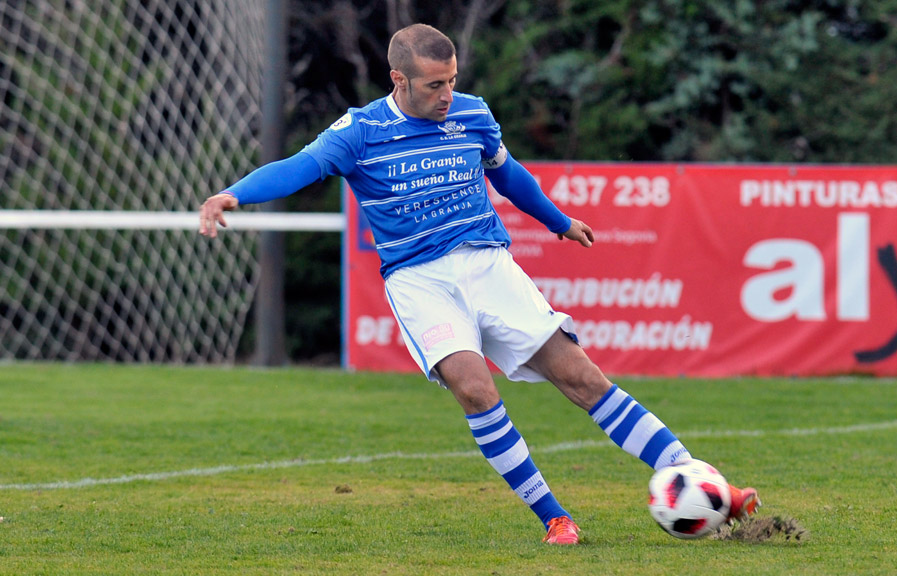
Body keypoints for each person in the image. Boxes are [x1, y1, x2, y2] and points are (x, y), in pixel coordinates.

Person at [199, 23, 759, 545]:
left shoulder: (472, 116)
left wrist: (558, 221)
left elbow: (507, 173)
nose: (446, 94)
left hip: (488, 266)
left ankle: (704, 484)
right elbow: (299, 166)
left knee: (582, 378)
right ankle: (554, 517)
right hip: (420, 281)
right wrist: (234, 195)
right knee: (475, 388)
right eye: (434, 84)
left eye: (452, 81)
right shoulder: (360, 131)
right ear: (399, 80)